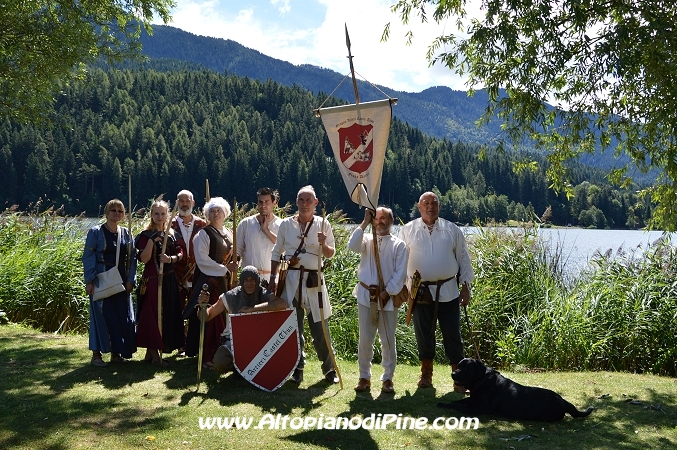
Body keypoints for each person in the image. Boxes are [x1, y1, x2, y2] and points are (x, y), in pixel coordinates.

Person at [398, 191, 474, 390]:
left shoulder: (452, 230)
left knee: (452, 334)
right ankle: (426, 375)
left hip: (449, 291)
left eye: (434, 203)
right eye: (426, 203)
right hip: (420, 293)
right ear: (419, 206)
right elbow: (400, 261)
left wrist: (466, 287)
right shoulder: (407, 230)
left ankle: (459, 378)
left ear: (439, 206)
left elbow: (463, 259)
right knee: (424, 335)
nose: (430, 206)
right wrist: (403, 288)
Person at [268, 185, 339, 384]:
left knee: (321, 328)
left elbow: (330, 253)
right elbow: (276, 252)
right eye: (301, 200)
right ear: (297, 201)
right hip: (291, 281)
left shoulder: (323, 224)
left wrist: (324, 243)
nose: (305, 204)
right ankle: (296, 368)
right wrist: (274, 278)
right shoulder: (286, 225)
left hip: (314, 282)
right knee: (294, 328)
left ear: (315, 203)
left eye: (309, 200)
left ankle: (329, 370)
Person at [348, 207, 409, 393]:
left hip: (388, 299)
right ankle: (364, 377)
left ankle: (387, 379)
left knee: (388, 340)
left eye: (384, 218)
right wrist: (365, 221)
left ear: (391, 221)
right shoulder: (366, 240)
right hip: (366, 297)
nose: (380, 221)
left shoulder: (399, 245)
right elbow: (352, 246)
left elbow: (400, 275)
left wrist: (387, 292)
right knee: (365, 339)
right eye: (377, 218)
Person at [197, 266, 287, 373]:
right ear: (241, 281)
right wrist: (201, 306)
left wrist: (253, 309)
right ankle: (239, 368)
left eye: (252, 280)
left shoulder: (263, 293)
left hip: (257, 341)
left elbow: (282, 304)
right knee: (220, 362)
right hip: (233, 340)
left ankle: (248, 368)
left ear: (257, 281)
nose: (249, 284)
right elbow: (207, 316)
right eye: (246, 280)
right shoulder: (231, 296)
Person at [82, 199, 137, 367]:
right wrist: (90, 280)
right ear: (106, 213)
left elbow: (132, 258)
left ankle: (116, 353)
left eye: (120, 211)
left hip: (120, 279)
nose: (116, 213)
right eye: (113, 210)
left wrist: (130, 280)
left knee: (120, 316)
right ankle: (96, 355)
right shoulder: (95, 232)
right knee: (101, 316)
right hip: (100, 279)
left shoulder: (126, 233)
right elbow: (88, 256)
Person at [184, 197, 237, 368]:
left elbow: (235, 255)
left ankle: (222, 352)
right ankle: (208, 355)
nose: (216, 214)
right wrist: (225, 270)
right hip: (209, 281)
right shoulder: (203, 234)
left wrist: (235, 266)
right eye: (212, 211)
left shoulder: (228, 232)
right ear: (207, 214)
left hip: (224, 281)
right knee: (210, 317)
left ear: (225, 213)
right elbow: (202, 260)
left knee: (223, 316)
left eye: (219, 210)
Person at [135, 199, 185, 365]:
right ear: (151, 215)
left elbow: (181, 253)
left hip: (169, 280)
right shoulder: (144, 236)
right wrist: (152, 241)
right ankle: (155, 355)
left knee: (167, 315)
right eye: (156, 213)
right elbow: (143, 259)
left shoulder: (171, 234)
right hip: (152, 281)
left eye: (163, 213)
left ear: (167, 215)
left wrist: (169, 258)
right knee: (151, 316)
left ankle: (153, 353)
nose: (159, 216)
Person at [171, 190, 207, 355]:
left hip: (196, 275)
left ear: (193, 203)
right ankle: (180, 344)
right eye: (181, 201)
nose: (184, 204)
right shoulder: (169, 224)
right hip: (176, 275)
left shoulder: (202, 224)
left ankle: (194, 344)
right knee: (177, 309)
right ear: (177, 203)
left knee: (196, 309)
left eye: (188, 201)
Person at [236, 187, 282, 280]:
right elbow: (238, 251)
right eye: (260, 202)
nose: (263, 205)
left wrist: (265, 230)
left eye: (267, 202)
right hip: (249, 279)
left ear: (274, 203)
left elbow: (283, 247)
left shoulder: (282, 225)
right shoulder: (245, 224)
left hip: (273, 278)